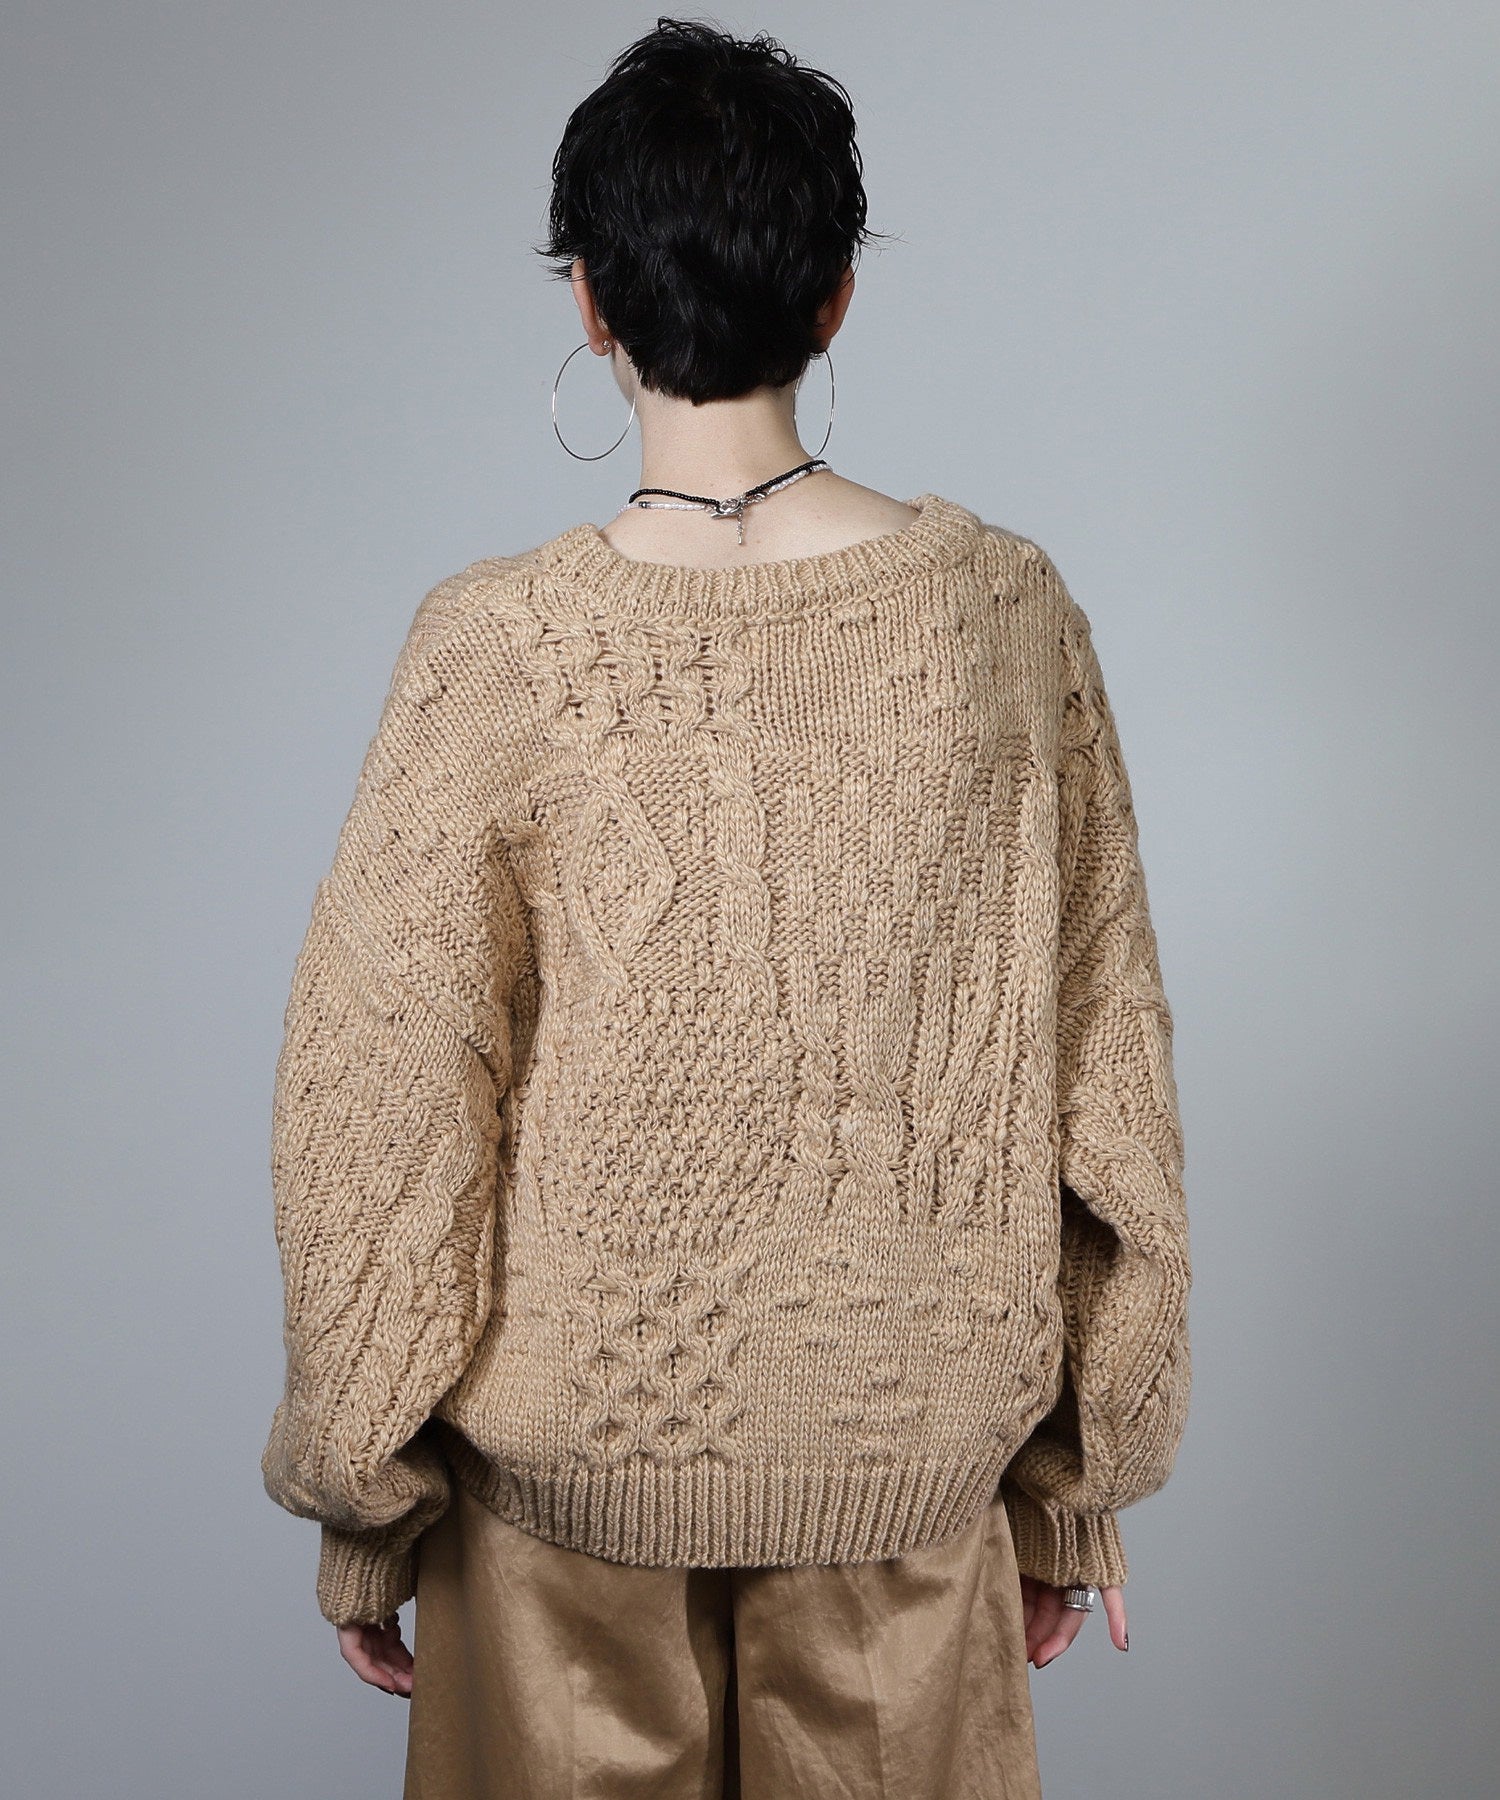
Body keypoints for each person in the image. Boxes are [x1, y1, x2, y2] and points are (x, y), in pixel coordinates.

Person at [260, 17, 1193, 1798]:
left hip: (554, 1512)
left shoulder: (495, 648)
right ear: (835, 296)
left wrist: (365, 1500)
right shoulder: (1004, 615)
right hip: (909, 1488)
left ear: (593, 304)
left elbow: (383, 1100)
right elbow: (1104, 1068)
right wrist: (1073, 1494)